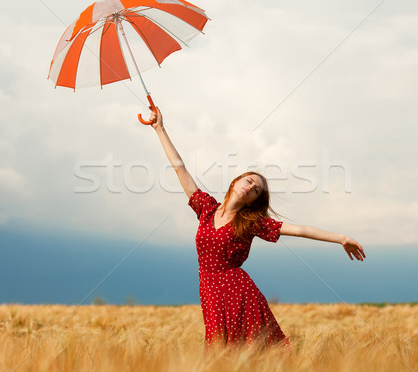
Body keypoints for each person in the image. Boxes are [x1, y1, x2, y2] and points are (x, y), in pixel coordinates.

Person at [149, 107, 365, 347]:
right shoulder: (206, 208)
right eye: (249, 180)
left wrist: (341, 238)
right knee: (221, 355)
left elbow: (300, 230)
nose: (251, 187)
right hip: (209, 292)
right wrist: (160, 128)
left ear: (255, 200)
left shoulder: (252, 223)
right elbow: (180, 168)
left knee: (251, 354)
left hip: (238, 293)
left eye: (256, 190)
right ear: (236, 181)